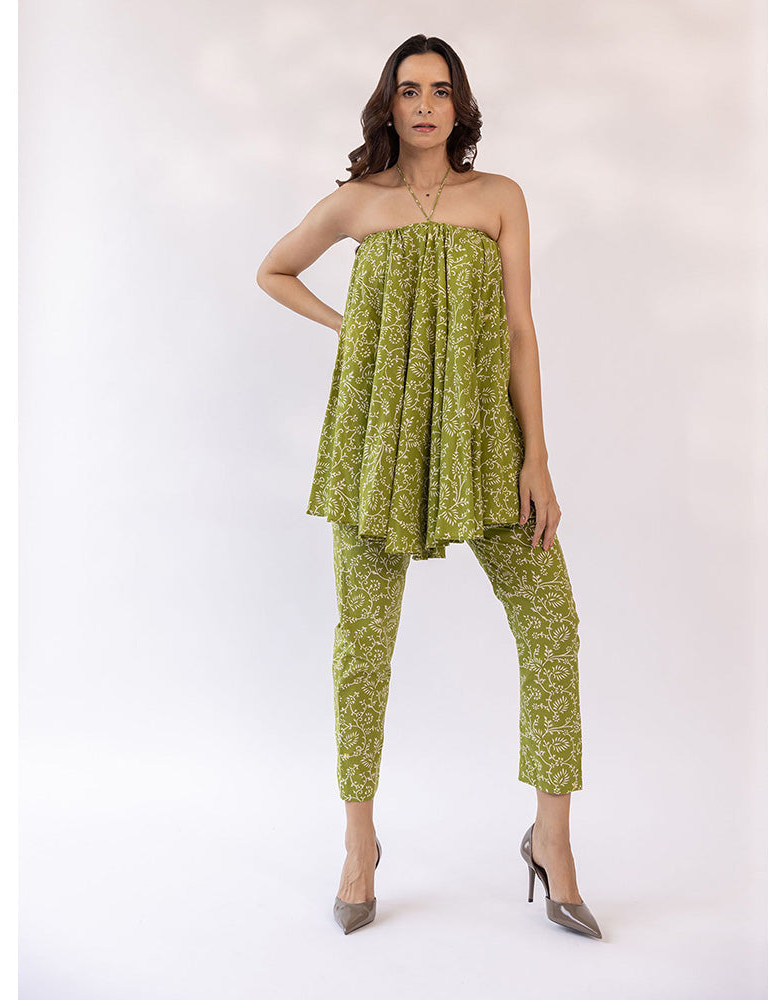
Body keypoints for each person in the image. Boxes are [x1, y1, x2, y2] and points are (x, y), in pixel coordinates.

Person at [255, 34, 601, 940]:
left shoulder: (500, 198)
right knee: (362, 647)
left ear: (459, 105)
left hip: (485, 439)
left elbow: (521, 330)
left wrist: (538, 456)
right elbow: (273, 270)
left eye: (440, 91)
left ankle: (553, 838)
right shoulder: (357, 203)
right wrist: (352, 329)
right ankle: (359, 843)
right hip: (377, 440)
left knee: (551, 625)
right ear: (389, 103)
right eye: (409, 91)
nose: (424, 106)